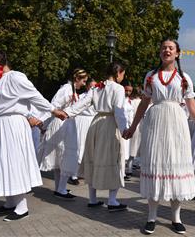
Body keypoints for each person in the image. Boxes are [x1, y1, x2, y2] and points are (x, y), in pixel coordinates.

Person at [123, 38, 195, 235]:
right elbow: (143, 105)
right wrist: (132, 127)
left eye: (170, 48)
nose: (166, 50)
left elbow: (192, 108)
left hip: (177, 123)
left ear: (177, 53)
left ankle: (176, 217)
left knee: (176, 166)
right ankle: (151, 217)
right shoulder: (151, 76)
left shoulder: (184, 78)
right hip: (155, 123)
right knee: (155, 166)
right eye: (163, 47)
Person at [0, 50, 66, 221]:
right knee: (2, 163)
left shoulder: (15, 77)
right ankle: (10, 202)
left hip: (12, 126)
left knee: (13, 162)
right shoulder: (0, 81)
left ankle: (22, 206)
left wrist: (53, 110)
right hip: (2, 125)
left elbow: (35, 95)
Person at [63, 61, 129, 212]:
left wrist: (68, 113)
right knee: (115, 159)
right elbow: (119, 111)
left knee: (93, 158)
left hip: (96, 124)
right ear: (118, 73)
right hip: (110, 124)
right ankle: (112, 200)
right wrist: (124, 129)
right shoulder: (118, 88)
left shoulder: (96, 87)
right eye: (123, 74)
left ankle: (92, 199)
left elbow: (82, 103)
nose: (122, 77)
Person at [38, 68, 88, 199]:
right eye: (83, 80)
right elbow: (53, 105)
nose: (84, 83)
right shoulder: (66, 89)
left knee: (62, 157)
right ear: (76, 78)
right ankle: (60, 189)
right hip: (62, 124)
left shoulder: (71, 90)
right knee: (66, 156)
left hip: (67, 124)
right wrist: (43, 122)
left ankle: (60, 188)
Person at [70, 78, 98, 185]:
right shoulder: (81, 97)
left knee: (90, 148)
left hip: (92, 122)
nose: (93, 88)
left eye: (95, 87)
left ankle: (85, 172)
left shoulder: (98, 97)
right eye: (91, 86)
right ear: (87, 86)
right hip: (81, 122)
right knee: (79, 146)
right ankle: (74, 173)